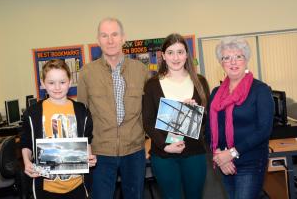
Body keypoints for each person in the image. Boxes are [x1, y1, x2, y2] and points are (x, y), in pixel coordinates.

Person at [77, 17, 149, 199]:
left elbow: (150, 111)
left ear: (123, 38)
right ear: (98, 40)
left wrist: (149, 142)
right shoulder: (87, 73)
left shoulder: (141, 71)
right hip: (100, 153)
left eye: (114, 35)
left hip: (134, 151)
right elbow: (81, 115)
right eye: (104, 35)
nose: (110, 40)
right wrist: (84, 148)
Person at [142, 33, 210, 199]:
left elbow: (207, 120)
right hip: (164, 154)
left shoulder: (200, 82)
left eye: (180, 52)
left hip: (194, 152)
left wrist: (193, 113)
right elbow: (148, 122)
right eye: (170, 52)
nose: (176, 57)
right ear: (163, 56)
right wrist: (166, 145)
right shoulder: (152, 85)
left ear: (187, 54)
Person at [206, 36, 274, 199]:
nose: (233, 62)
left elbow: (264, 130)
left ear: (246, 59)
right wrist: (219, 156)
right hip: (224, 162)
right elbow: (209, 128)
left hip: (251, 161)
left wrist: (232, 153)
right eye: (227, 58)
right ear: (221, 63)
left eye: (238, 56)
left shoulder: (260, 90)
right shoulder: (216, 93)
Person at [20, 59, 97, 199]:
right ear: (43, 84)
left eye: (62, 82)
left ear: (70, 81)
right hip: (45, 187)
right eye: (51, 82)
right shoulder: (33, 113)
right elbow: (26, 143)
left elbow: (87, 140)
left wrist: (89, 158)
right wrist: (26, 161)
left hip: (77, 185)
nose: (57, 87)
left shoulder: (82, 111)